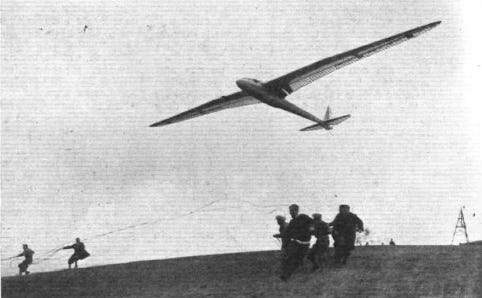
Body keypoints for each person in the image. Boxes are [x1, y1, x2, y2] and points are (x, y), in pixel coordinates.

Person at [280, 204, 314, 281]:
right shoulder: (292, 222)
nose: (290, 213)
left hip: (305, 244)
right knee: (289, 258)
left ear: (296, 211)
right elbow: (287, 232)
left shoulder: (303, 217)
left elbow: (312, 222)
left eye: (291, 211)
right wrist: (280, 235)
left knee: (297, 261)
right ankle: (286, 275)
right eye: (290, 211)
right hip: (296, 243)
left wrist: (311, 229)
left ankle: (287, 274)